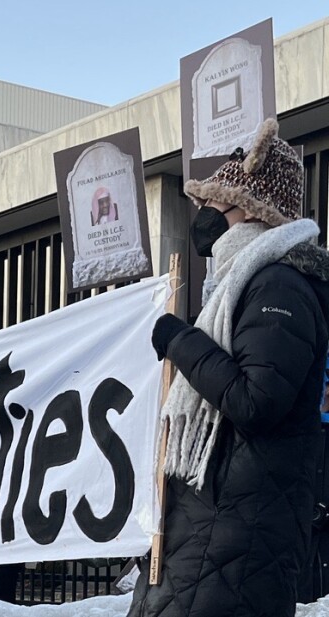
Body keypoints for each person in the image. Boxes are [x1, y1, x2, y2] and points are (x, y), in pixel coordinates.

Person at [129, 118, 329, 617]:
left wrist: (183, 342)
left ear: (249, 209)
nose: (203, 215)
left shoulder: (279, 286)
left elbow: (256, 401)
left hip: (237, 542)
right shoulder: (241, 284)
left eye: (211, 204)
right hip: (212, 533)